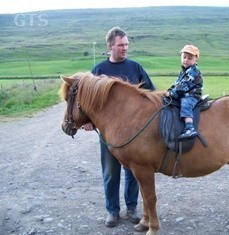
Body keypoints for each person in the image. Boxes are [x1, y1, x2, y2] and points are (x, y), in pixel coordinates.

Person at [83, 27, 155, 227]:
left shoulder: (135, 68)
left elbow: (151, 94)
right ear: (110, 46)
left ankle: (132, 208)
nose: (125, 48)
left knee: (133, 171)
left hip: (134, 135)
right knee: (111, 172)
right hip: (108, 134)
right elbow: (86, 101)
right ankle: (112, 211)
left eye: (126, 45)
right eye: (121, 45)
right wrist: (88, 120)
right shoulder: (98, 71)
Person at [166, 44, 203, 140]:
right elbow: (178, 83)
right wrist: (170, 90)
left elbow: (183, 86)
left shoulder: (193, 71)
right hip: (185, 93)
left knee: (186, 104)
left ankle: (189, 127)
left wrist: (172, 94)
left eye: (190, 58)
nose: (186, 60)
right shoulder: (183, 71)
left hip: (192, 95)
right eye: (184, 57)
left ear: (195, 60)